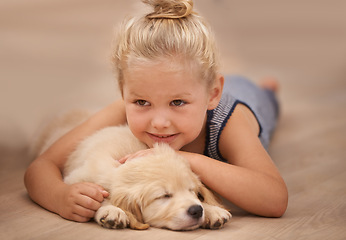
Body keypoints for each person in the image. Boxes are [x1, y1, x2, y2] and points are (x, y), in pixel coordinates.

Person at [24, 0, 288, 223]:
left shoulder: (228, 123)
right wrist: (59, 196)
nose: (159, 122)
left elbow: (275, 199)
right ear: (122, 91)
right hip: (202, 84)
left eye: (177, 103)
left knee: (265, 97)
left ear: (213, 95)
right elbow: (42, 166)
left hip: (248, 98)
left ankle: (269, 89)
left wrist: (189, 160)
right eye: (141, 102)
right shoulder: (121, 109)